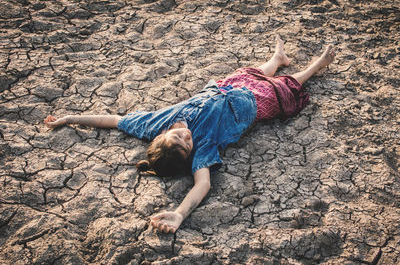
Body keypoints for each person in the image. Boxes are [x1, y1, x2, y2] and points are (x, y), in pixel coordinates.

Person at [44, 35, 335, 234]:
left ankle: (277, 58)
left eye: (177, 137)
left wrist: (70, 117)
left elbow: (114, 120)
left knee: (252, 73)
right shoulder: (203, 148)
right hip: (254, 104)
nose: (186, 138)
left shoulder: (152, 124)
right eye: (186, 146)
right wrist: (180, 213)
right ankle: (316, 66)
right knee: (284, 85)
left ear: (160, 137)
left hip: (226, 87)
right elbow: (202, 184)